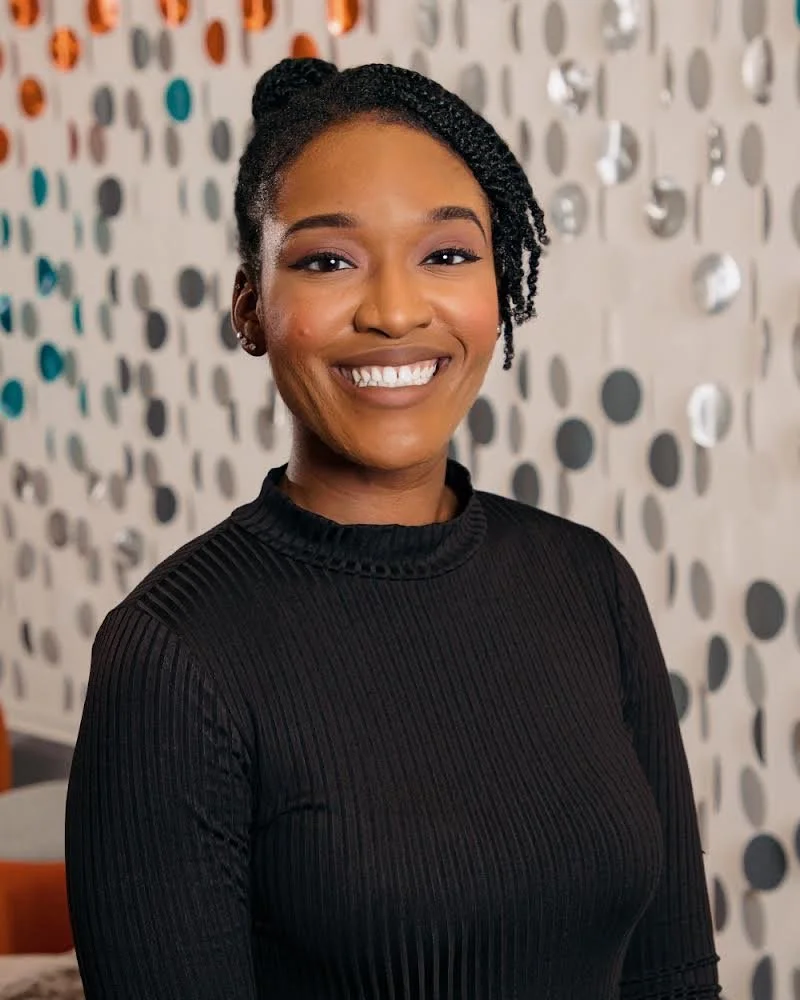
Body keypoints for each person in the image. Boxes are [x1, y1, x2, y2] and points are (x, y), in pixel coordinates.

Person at [65, 58, 722, 999]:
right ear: (252, 306)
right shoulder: (171, 657)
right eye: (327, 260)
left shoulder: (590, 584)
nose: (396, 311)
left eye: (447, 255)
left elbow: (674, 979)